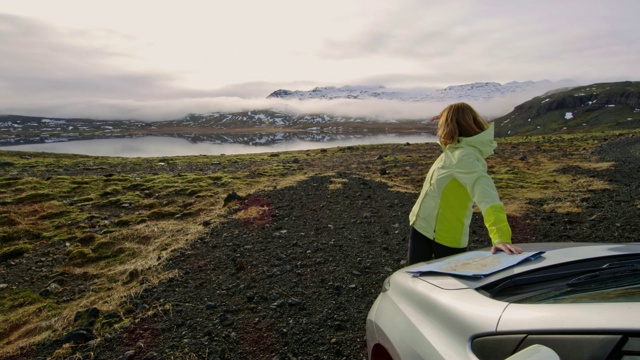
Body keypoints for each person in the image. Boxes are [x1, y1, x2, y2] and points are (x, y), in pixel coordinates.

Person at [408, 102, 522, 265]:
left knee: (449, 287)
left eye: (443, 125)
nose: (439, 129)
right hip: (421, 225)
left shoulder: (464, 157)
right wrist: (447, 116)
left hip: (444, 236)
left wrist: (500, 237)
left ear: (450, 126)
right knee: (413, 281)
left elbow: (487, 196)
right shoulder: (455, 148)